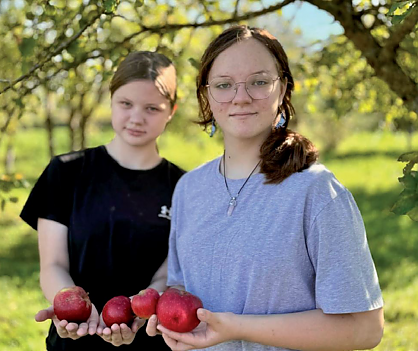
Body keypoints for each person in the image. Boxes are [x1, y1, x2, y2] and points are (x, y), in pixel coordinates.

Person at [153, 25, 384, 351]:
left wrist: (237, 328)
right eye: (224, 85)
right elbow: (180, 288)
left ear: (283, 89)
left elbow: (365, 329)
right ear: (206, 96)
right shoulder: (189, 189)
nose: (241, 96)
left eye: (259, 82)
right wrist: (154, 310)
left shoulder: (317, 192)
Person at [20, 51, 185, 350]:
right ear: (111, 101)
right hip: (74, 337)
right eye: (126, 104)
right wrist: (70, 302)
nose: (136, 117)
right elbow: (53, 264)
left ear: (171, 111)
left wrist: (140, 310)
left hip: (150, 339)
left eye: (152, 108)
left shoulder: (185, 187)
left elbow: (169, 272)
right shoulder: (66, 172)